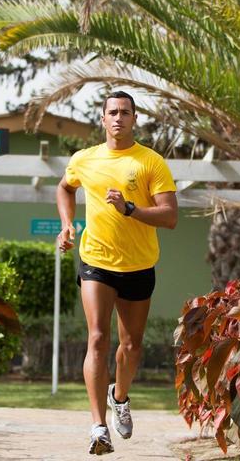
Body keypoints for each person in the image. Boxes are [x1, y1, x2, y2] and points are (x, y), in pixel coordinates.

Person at [56, 91, 178, 455]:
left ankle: (119, 397)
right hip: (96, 260)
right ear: (103, 118)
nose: (119, 118)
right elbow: (64, 187)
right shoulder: (85, 159)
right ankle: (98, 426)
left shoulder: (150, 162)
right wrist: (66, 225)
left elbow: (169, 216)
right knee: (97, 338)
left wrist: (130, 209)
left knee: (131, 345)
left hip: (139, 265)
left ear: (134, 118)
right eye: (112, 112)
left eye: (125, 112)